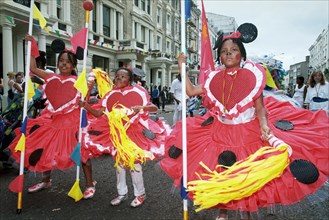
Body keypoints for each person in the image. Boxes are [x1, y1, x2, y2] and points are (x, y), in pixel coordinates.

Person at [160, 30, 328, 220]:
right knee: (221, 170)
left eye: (233, 49)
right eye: (224, 51)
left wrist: (264, 126)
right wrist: (182, 66)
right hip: (221, 133)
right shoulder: (214, 78)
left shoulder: (252, 77)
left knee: (245, 175)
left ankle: (245, 213)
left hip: (248, 133)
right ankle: (222, 212)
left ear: (242, 54)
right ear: (220, 57)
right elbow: (190, 91)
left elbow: (260, 108)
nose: (229, 53)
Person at [8, 35, 94, 198]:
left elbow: (84, 102)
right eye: (61, 60)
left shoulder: (78, 80)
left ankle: (89, 184)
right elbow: (33, 68)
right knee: (45, 149)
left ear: (73, 65)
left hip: (72, 123)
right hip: (52, 121)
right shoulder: (51, 77)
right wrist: (31, 45)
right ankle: (46, 181)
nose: (63, 63)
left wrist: (89, 88)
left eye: (67, 61)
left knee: (82, 154)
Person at [80, 67, 169, 207]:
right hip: (117, 135)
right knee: (119, 166)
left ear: (130, 80)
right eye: (117, 77)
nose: (119, 79)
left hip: (134, 134)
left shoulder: (139, 92)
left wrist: (141, 108)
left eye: (123, 77)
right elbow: (98, 114)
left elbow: (154, 108)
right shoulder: (110, 95)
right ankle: (122, 193)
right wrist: (86, 106)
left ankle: (140, 194)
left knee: (135, 165)